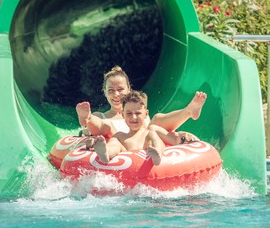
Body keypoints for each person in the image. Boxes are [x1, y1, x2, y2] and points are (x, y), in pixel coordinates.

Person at [76, 65, 207, 138]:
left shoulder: (139, 111)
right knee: (107, 127)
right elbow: (93, 132)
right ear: (104, 92)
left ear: (129, 89)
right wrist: (87, 131)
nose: (116, 94)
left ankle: (189, 111)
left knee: (156, 120)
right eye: (110, 90)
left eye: (120, 89)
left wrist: (176, 136)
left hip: (144, 145)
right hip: (120, 147)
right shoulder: (102, 117)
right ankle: (87, 118)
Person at [93, 90, 198, 166]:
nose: (133, 117)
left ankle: (157, 153)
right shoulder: (121, 136)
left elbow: (174, 140)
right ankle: (106, 153)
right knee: (115, 141)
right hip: (126, 154)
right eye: (128, 113)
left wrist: (183, 137)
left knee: (152, 133)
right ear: (122, 115)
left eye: (138, 113)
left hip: (152, 151)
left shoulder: (151, 130)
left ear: (146, 114)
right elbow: (115, 141)